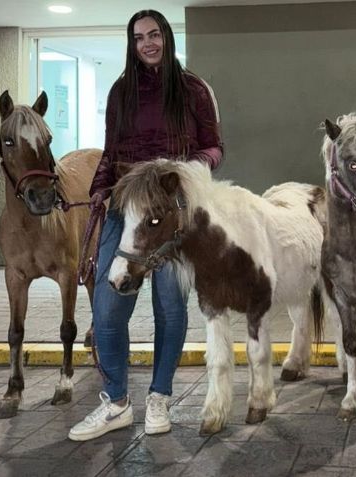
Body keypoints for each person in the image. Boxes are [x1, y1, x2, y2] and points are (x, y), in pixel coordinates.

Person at [68, 9, 223, 441]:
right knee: (108, 306)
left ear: (166, 37)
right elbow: (110, 149)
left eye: (154, 35)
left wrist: (191, 170)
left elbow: (214, 146)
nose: (148, 43)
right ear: (132, 44)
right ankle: (116, 401)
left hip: (171, 212)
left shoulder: (194, 89)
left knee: (170, 310)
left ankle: (159, 397)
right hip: (124, 207)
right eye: (139, 37)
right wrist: (101, 190)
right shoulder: (121, 91)